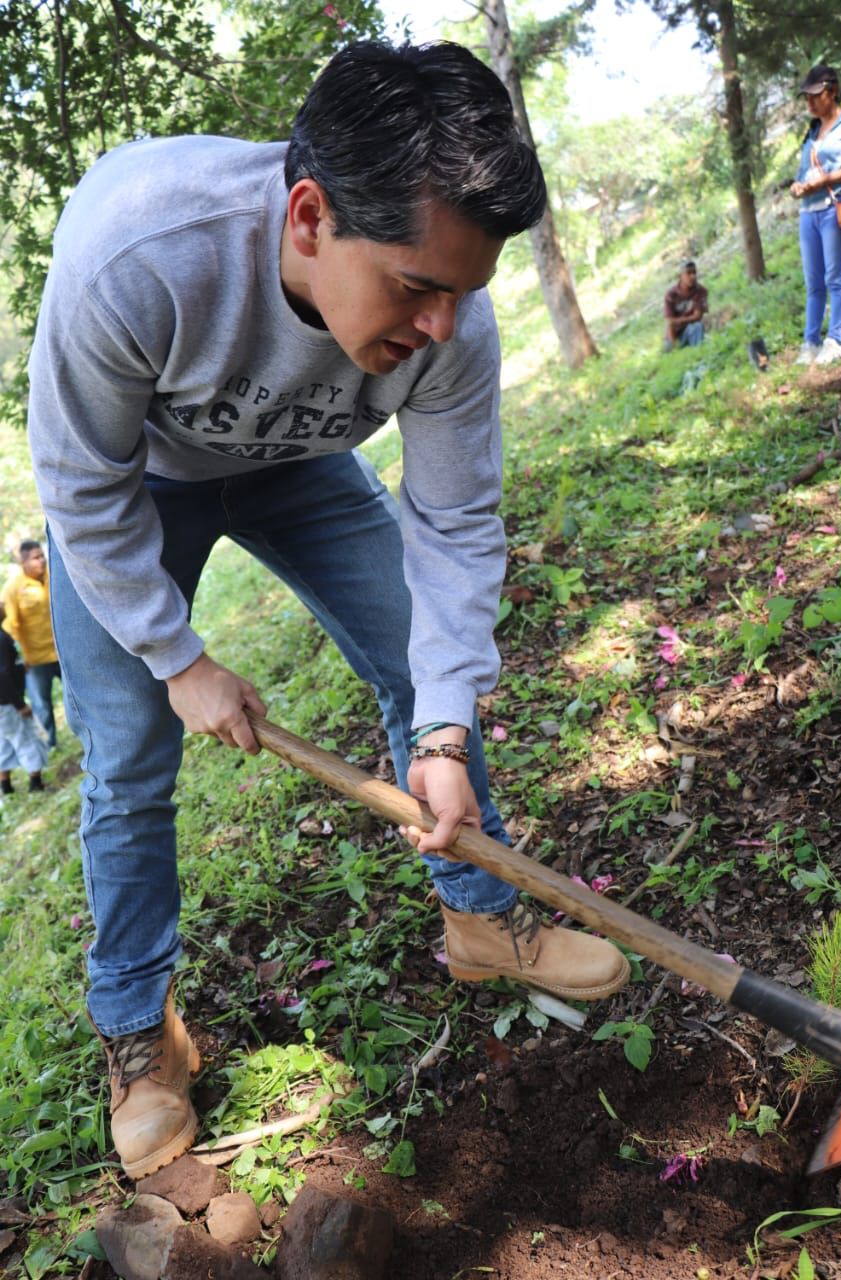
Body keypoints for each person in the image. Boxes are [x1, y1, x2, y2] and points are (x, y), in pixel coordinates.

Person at [27, 40, 629, 1180]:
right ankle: (138, 1031)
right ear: (308, 216)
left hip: (298, 463)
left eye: (465, 292)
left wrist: (443, 729)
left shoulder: (451, 317)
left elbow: (454, 529)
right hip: (136, 480)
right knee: (130, 757)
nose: (442, 326)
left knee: (421, 660)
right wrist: (178, 656)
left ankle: (477, 917)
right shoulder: (139, 255)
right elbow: (78, 486)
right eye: (415, 287)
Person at [790, 64, 841, 366]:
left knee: (835, 276)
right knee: (813, 282)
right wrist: (797, 186)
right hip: (808, 212)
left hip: (835, 207)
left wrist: (826, 180)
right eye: (807, 97)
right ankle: (810, 343)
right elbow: (805, 171)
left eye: (816, 95)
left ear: (833, 91)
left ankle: (836, 340)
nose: (810, 103)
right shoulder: (812, 131)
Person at [1, 539, 62, 747]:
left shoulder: (54, 576)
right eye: (36, 558)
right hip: (35, 660)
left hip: (63, 653)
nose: (42, 561)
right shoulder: (13, 588)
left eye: (42, 555)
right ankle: (49, 744)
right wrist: (20, 657)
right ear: (24, 562)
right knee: (42, 705)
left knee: (79, 696)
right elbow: (12, 627)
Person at [0, 602, 47, 796]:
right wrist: (20, 705)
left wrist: (19, 668)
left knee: (4, 741)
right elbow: (1, 675)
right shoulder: (1, 638)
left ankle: (6, 787)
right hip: (7, 702)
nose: (3, 603)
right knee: (25, 738)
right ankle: (36, 783)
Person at [663, 260, 708, 352]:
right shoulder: (671, 294)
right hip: (673, 334)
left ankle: (698, 352)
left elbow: (697, 316)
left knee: (697, 326)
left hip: (691, 330)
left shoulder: (701, 291)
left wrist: (677, 321)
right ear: (680, 276)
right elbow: (670, 321)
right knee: (670, 350)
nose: (693, 276)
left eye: (694, 272)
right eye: (688, 273)